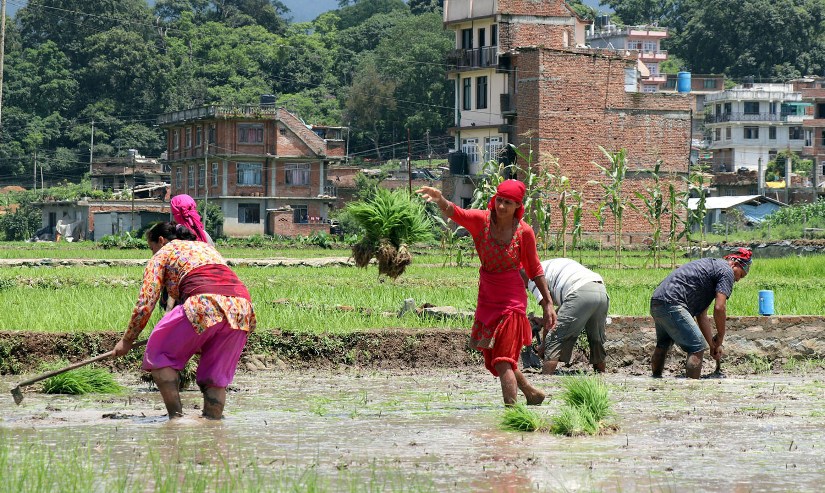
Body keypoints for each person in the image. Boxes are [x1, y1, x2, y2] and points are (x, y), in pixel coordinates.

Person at [418, 181, 554, 406]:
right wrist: (440, 199)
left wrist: (547, 303)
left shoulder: (524, 232)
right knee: (497, 358)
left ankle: (512, 416)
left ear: (518, 206)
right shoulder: (481, 221)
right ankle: (531, 392)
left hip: (512, 300)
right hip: (488, 298)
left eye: (508, 203)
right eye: (499, 200)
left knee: (503, 360)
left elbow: (535, 269)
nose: (501, 206)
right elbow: (456, 212)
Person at [113, 222, 256, 419]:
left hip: (203, 303)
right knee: (214, 378)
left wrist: (127, 341)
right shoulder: (206, 247)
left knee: (159, 355)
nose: (152, 252)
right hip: (241, 309)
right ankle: (213, 425)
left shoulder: (164, 253)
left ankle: (176, 419)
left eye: (151, 247)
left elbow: (145, 303)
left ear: (161, 241)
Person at [649, 248, 752, 379]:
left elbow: (702, 315)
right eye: (740, 275)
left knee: (663, 345)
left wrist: (713, 345)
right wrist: (720, 335)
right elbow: (720, 308)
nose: (738, 279)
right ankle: (693, 389)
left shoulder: (712, 270)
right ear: (735, 264)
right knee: (697, 348)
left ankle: (655, 382)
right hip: (673, 302)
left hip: (658, 301)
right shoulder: (727, 271)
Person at [523, 258, 609, 375]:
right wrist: (543, 322)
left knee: (553, 339)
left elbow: (549, 310)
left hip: (579, 292)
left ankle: (545, 378)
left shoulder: (533, 278)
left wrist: (543, 345)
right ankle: (601, 376)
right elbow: (567, 305)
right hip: (600, 290)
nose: (525, 289)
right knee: (596, 339)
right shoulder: (548, 266)